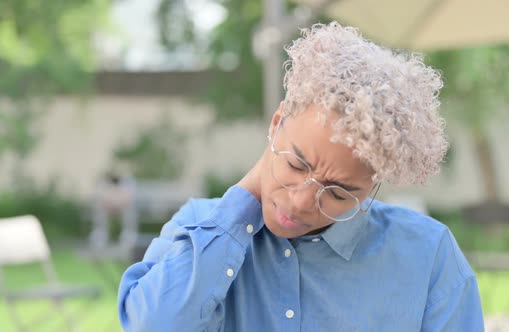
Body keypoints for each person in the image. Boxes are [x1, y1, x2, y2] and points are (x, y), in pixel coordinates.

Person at [117, 22, 484, 331]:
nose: (301, 201)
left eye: (338, 193)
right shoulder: (199, 230)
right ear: (277, 124)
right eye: (297, 165)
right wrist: (243, 204)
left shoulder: (428, 256)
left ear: (374, 185)